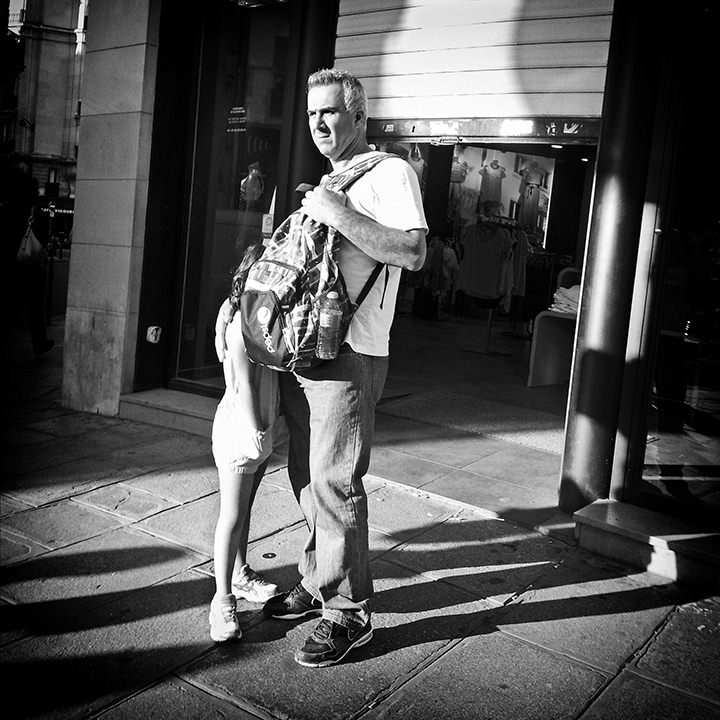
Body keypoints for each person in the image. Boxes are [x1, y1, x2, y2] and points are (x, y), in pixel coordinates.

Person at [215, 68, 427, 667]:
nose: (319, 125)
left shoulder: (390, 172)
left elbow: (413, 251)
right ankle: (316, 578)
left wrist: (339, 214)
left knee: (336, 480)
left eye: (330, 113)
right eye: (311, 116)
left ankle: (348, 613)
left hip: (351, 354)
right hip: (302, 349)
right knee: (307, 474)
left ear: (360, 116)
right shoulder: (332, 178)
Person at [208, 242, 282, 642]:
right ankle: (222, 603)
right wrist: (259, 432)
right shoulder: (241, 326)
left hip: (257, 432)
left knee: (244, 512)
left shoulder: (254, 319)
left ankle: (238, 576)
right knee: (232, 517)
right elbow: (247, 387)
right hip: (243, 432)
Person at [0, 162, 54, 357]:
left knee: (12, 307)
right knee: (34, 307)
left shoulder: (7, 211)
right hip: (30, 266)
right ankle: (39, 342)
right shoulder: (34, 213)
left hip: (12, 266)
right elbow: (43, 239)